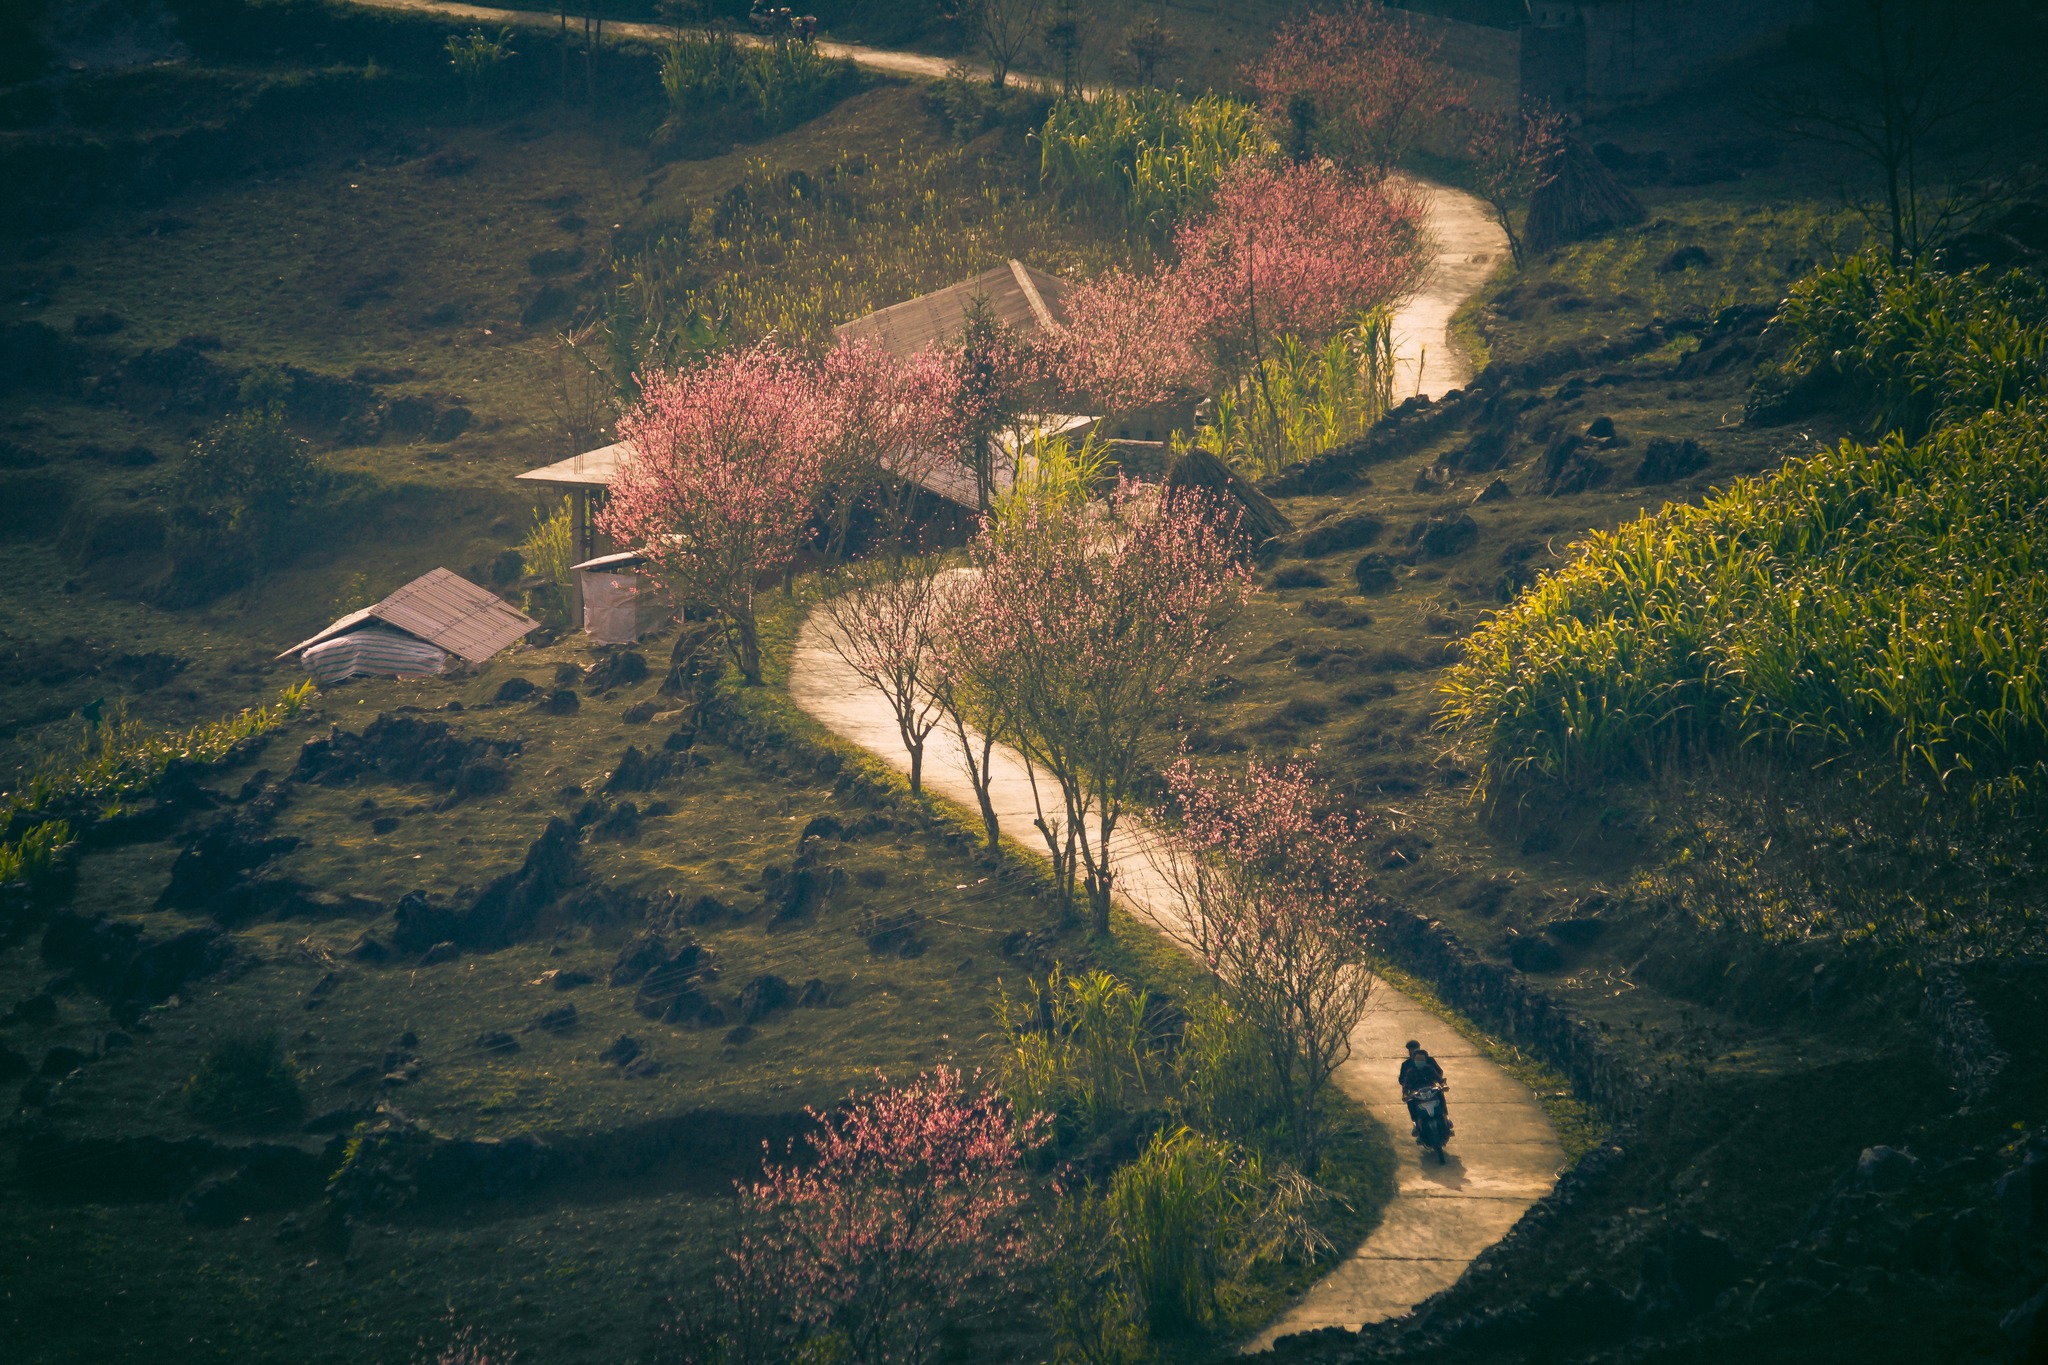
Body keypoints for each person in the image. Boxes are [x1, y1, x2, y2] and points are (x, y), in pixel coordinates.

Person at [1399, 1039, 1452, 1134]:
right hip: (1415, 1091)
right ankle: (1416, 1124)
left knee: (1440, 1095)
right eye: (1412, 1050)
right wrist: (1407, 1092)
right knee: (1411, 1103)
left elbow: (1438, 1073)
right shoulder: (1407, 1066)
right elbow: (1403, 1080)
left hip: (1430, 1087)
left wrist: (1441, 1084)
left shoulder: (1429, 1062)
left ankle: (1445, 1117)